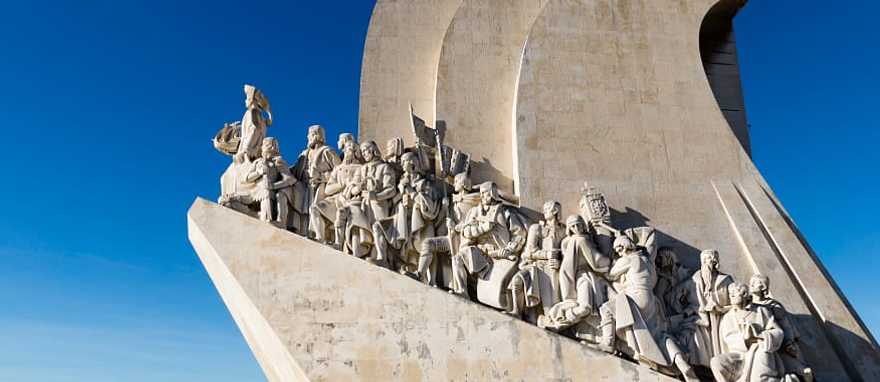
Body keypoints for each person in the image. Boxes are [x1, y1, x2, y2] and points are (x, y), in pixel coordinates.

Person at [600, 236, 699, 381]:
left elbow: (610, 273)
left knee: (606, 309)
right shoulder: (648, 262)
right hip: (652, 302)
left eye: (619, 249)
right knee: (660, 336)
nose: (619, 253)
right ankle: (684, 366)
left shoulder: (628, 259)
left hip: (635, 297)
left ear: (624, 247)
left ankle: (607, 343)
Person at [450, 182, 527, 308]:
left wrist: (509, 249)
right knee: (457, 258)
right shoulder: (475, 211)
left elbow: (519, 234)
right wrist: (482, 228)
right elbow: (466, 231)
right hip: (481, 253)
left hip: (500, 255)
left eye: (485, 193)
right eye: (481, 193)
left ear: (492, 194)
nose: (482, 196)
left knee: (496, 294)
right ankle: (463, 291)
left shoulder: (505, 212)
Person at [711, 283, 786, 382]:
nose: (731, 296)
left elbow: (778, 331)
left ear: (745, 294)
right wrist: (745, 338)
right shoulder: (728, 317)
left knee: (759, 376)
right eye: (730, 294)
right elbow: (728, 338)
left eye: (735, 293)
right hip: (739, 355)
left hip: (760, 348)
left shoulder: (760, 311)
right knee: (716, 362)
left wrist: (760, 335)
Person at [673, 249, 734, 368]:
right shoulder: (695, 279)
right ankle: (701, 367)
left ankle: (720, 367)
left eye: (712, 259)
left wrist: (721, 309)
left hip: (720, 320)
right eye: (707, 259)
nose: (710, 262)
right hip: (700, 317)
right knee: (692, 334)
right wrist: (683, 303)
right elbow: (674, 296)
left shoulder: (726, 280)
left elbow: (737, 303)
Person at [508, 201, 565, 321]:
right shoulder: (537, 228)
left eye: (547, 209)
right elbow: (529, 251)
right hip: (535, 267)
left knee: (550, 310)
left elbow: (568, 254)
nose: (544, 211)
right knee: (517, 280)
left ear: (555, 211)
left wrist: (561, 263)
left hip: (554, 270)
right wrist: (546, 254)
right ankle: (517, 311)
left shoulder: (564, 231)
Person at [749, 274, 813, 382]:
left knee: (796, 368)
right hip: (761, 342)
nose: (751, 285)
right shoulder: (749, 305)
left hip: (778, 342)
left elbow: (785, 324)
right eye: (751, 282)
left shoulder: (773, 305)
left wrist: (788, 342)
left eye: (756, 283)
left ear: (763, 287)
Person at [311, 140, 363, 246]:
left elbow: (359, 187)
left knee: (341, 214)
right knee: (315, 208)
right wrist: (342, 185)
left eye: (352, 150)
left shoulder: (361, 168)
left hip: (350, 199)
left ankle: (338, 243)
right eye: (348, 149)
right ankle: (320, 238)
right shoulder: (338, 169)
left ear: (356, 152)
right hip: (336, 198)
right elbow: (328, 190)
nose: (350, 152)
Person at [292, 125, 340, 240]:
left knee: (315, 209)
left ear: (316, 135)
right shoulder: (304, 153)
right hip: (305, 187)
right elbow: (293, 170)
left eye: (310, 134)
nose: (308, 137)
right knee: (304, 212)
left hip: (321, 186)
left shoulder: (327, 151)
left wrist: (322, 177)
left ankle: (319, 236)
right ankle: (305, 234)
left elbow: (339, 171)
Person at [244, 137, 297, 228]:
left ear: (271, 147)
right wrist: (258, 172)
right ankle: (256, 215)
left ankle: (269, 219)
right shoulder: (258, 162)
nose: (261, 148)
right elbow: (247, 178)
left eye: (264, 145)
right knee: (229, 202)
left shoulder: (278, 161)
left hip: (269, 192)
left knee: (267, 193)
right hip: (255, 192)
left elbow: (290, 179)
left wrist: (273, 186)